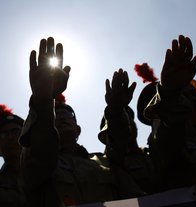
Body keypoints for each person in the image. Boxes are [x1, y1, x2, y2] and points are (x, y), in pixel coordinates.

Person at [19, 37, 143, 207]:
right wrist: (43, 101)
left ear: (78, 129)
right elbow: (40, 146)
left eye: (67, 114)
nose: (61, 117)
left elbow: (120, 143)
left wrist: (115, 112)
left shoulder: (106, 161)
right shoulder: (38, 164)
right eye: (55, 115)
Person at [137, 35, 196, 191]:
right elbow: (170, 148)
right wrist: (169, 93)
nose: (192, 98)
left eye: (192, 93)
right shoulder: (167, 133)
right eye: (184, 94)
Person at [98, 68, 160, 194]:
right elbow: (118, 138)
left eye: (129, 119)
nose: (128, 123)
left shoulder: (153, 154)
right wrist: (115, 112)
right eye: (124, 120)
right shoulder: (109, 161)